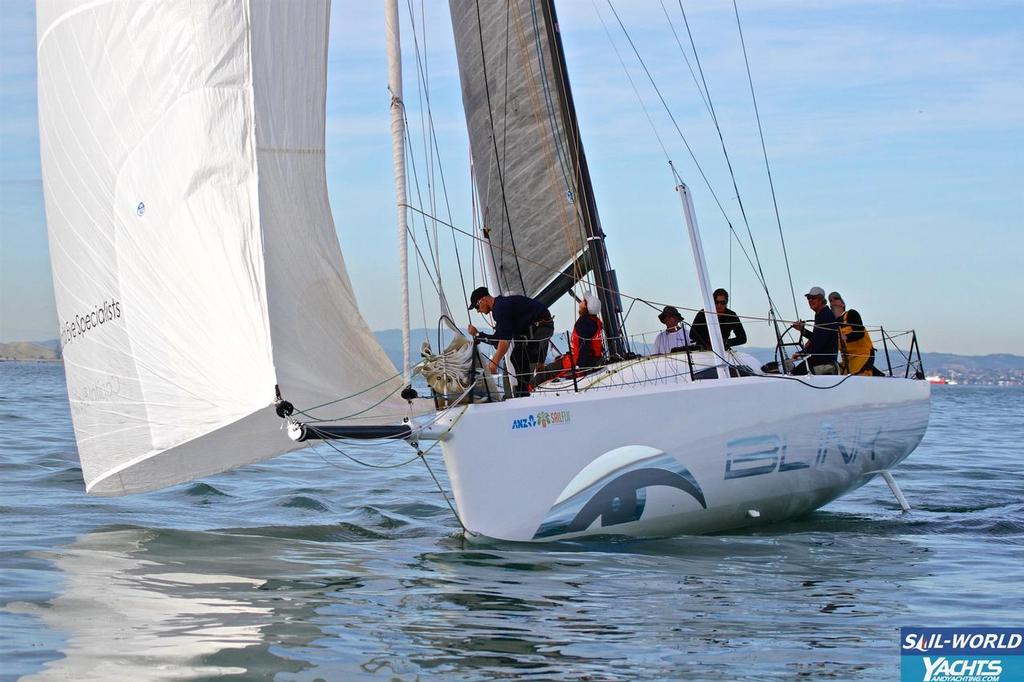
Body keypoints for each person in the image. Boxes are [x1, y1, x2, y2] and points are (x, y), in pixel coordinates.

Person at [467, 286, 554, 395]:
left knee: (518, 356)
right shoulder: (501, 307)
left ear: (483, 300)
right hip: (536, 329)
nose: (478, 311)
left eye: (477, 306)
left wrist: (493, 364)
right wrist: (478, 335)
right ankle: (523, 392)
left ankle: (523, 393)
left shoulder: (500, 308)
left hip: (540, 328)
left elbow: (504, 342)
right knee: (517, 355)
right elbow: (498, 340)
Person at [542, 291, 604, 381]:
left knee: (545, 373)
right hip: (594, 359)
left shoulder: (584, 323)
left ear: (586, 307)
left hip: (582, 361)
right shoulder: (595, 321)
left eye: (583, 301)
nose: (580, 302)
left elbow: (584, 345)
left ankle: (525, 392)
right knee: (557, 361)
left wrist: (580, 367)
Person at [828, 291, 882, 376]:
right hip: (848, 361)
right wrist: (804, 331)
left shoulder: (851, 314)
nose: (832, 301)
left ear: (842, 304)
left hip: (863, 355)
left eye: (836, 298)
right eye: (830, 300)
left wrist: (846, 337)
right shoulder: (833, 324)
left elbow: (860, 332)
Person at [791, 286, 839, 375]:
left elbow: (819, 343)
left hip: (824, 362)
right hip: (819, 360)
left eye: (813, 298)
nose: (810, 300)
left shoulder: (825, 315)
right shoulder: (821, 314)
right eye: (809, 298)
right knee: (794, 372)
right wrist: (802, 330)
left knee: (795, 374)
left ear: (821, 299)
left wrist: (801, 353)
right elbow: (818, 337)